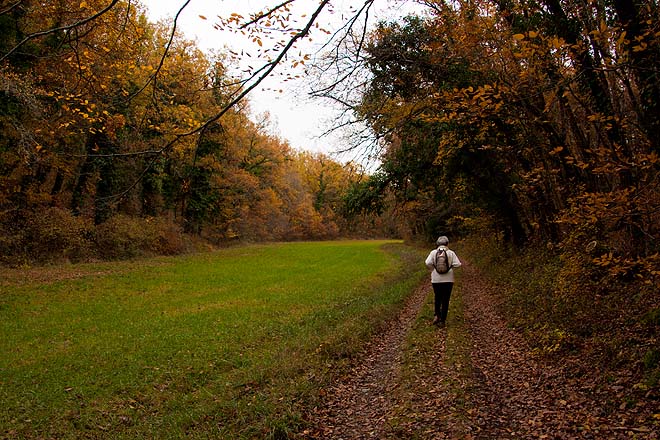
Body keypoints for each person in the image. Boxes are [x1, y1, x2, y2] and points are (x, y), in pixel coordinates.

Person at [425, 235, 462, 326]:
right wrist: (450, 267)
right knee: (446, 299)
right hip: (448, 279)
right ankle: (442, 320)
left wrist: (433, 268)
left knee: (437, 297)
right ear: (447, 243)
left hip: (436, 279)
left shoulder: (433, 252)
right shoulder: (451, 253)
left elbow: (427, 262)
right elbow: (458, 264)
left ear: (437, 244)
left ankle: (437, 315)